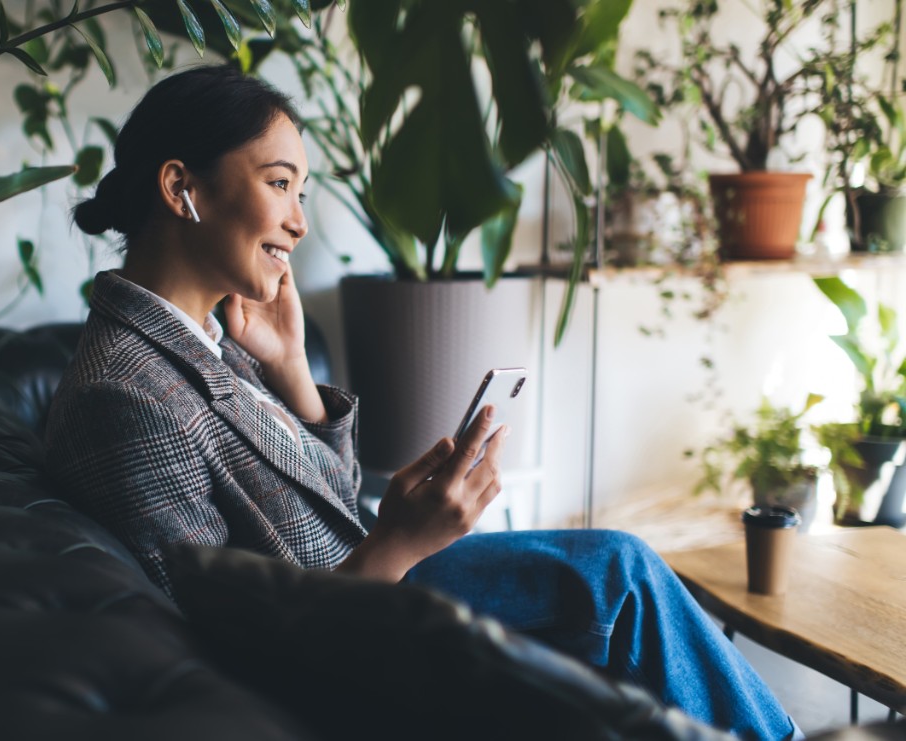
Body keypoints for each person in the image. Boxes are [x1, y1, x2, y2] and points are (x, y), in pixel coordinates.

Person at [43, 64, 798, 741]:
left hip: (363, 580)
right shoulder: (126, 395)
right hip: (359, 635)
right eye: (279, 184)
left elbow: (326, 499)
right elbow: (216, 659)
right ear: (183, 189)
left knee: (617, 573)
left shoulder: (208, 335)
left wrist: (293, 374)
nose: (299, 222)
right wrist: (398, 543)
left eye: (300, 193)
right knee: (616, 573)